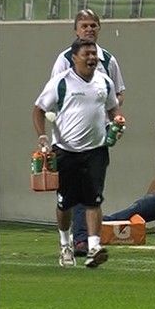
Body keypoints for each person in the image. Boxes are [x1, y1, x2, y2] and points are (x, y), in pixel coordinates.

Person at [33, 37, 123, 268]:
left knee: (94, 200)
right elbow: (39, 109)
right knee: (65, 203)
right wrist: (43, 137)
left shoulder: (104, 82)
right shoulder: (61, 83)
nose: (92, 58)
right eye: (87, 54)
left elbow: (113, 107)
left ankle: (93, 247)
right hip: (66, 151)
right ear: (75, 58)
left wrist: (118, 122)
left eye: (94, 54)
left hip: (97, 150)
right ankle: (65, 244)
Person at [50, 9, 127, 257]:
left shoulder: (109, 60)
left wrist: (113, 117)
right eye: (84, 25)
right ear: (76, 29)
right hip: (69, 138)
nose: (89, 29)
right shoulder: (64, 59)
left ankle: (87, 242)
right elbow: (56, 97)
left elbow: (118, 93)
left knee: (92, 190)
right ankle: (71, 240)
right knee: (69, 196)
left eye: (93, 25)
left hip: (98, 135)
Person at [103, 116, 155, 224]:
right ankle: (114, 223)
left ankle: (108, 221)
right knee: (143, 204)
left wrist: (147, 200)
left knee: (144, 204)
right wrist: (147, 197)